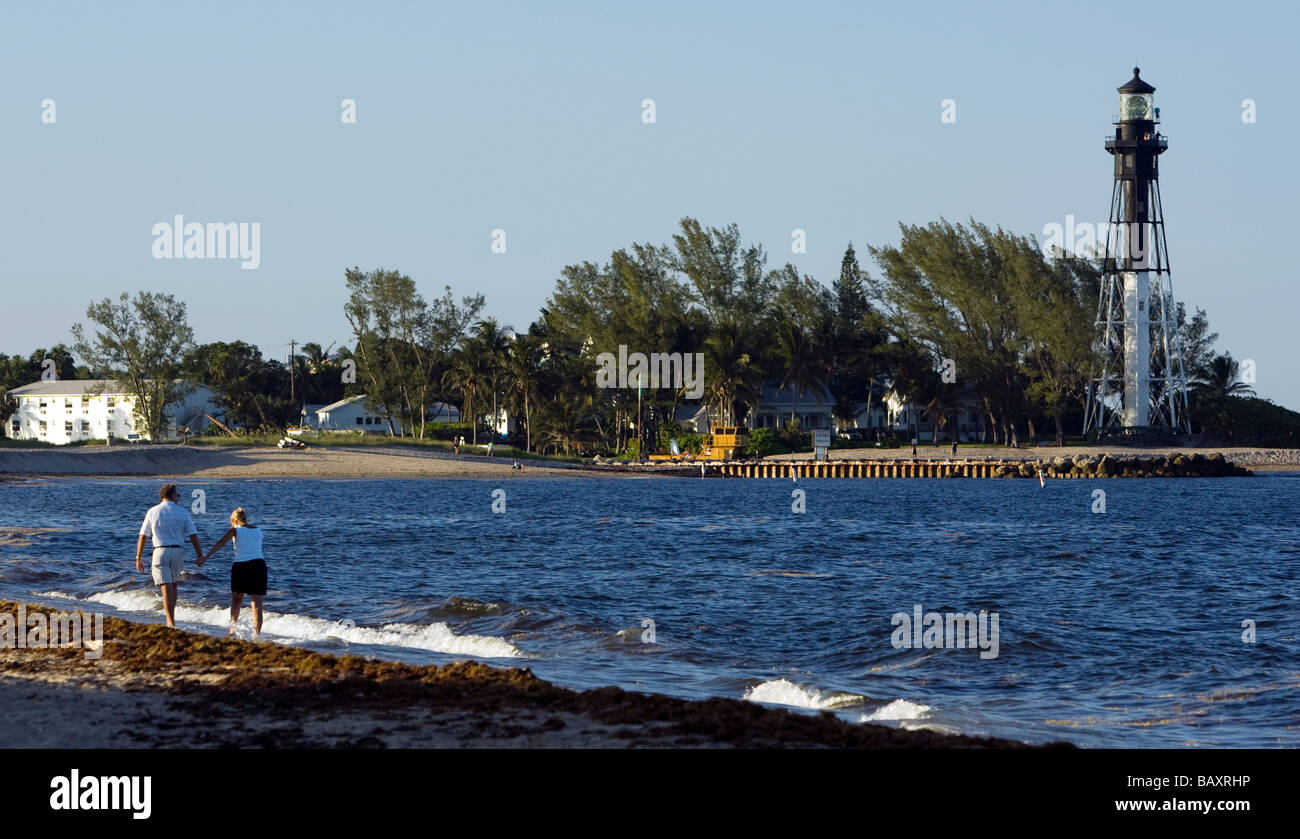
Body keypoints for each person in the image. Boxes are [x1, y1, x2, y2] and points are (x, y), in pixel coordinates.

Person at [135, 484, 202, 628]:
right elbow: (193, 535)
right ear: (171, 495)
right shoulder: (182, 512)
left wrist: (138, 557)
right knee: (173, 584)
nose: (178, 498)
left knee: (166, 587)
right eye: (177, 495)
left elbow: (143, 536)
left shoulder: (153, 511)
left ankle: (170, 622)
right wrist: (200, 555)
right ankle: (172, 619)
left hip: (160, 551)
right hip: (178, 551)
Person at [200, 507, 268, 639]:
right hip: (259, 565)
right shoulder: (258, 530)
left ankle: (232, 630)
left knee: (237, 601)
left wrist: (205, 557)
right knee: (257, 604)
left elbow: (220, 544)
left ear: (234, 521)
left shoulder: (234, 530)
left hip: (241, 565)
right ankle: (256, 634)